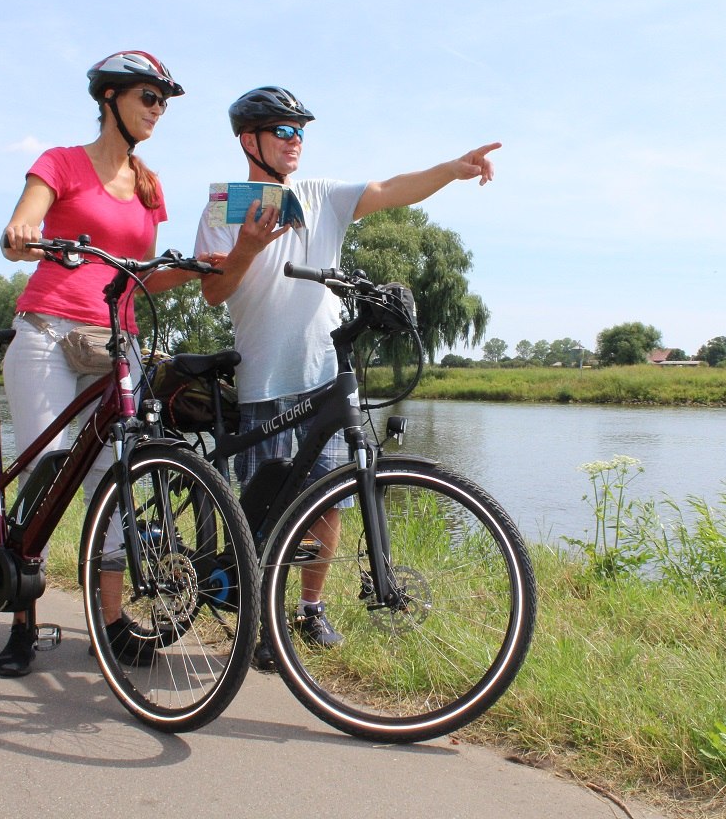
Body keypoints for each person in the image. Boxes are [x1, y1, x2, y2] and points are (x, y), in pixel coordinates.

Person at [194, 86, 499, 668]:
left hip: (324, 371)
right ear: (248, 141)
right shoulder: (223, 208)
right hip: (262, 377)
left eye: (301, 131)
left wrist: (452, 170)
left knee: (330, 500)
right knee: (264, 510)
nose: (296, 141)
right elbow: (212, 292)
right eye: (284, 131)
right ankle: (262, 618)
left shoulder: (320, 196)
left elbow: (388, 190)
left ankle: (310, 611)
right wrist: (247, 248)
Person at [0, 50, 203, 678]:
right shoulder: (60, 163)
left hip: (117, 341)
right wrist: (22, 232)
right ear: (110, 98)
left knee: (117, 478)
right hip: (49, 329)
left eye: (163, 102)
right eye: (149, 97)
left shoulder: (149, 184)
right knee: (49, 467)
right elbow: (22, 224)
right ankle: (22, 623)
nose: (158, 111)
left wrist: (218, 256)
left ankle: (108, 626)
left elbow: (147, 277)